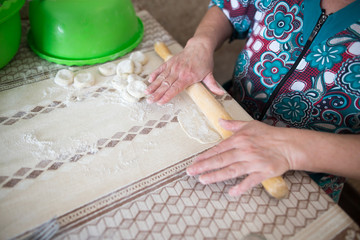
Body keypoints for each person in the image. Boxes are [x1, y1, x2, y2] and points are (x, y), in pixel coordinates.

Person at [145, 0, 360, 202]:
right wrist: (202, 42)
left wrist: (290, 149)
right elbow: (231, 8)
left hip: (307, 175)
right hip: (228, 115)